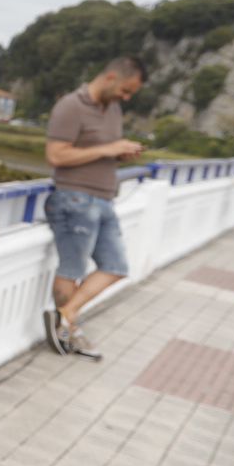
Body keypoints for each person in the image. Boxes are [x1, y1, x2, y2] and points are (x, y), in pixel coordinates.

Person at [42, 55, 146, 359]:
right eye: (126, 90)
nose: (126, 98)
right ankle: (68, 330)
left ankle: (65, 317)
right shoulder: (71, 106)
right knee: (71, 270)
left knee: (116, 267)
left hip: (104, 198)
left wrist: (120, 153)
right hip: (74, 198)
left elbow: (97, 151)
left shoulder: (113, 108)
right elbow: (57, 156)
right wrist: (110, 148)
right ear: (111, 77)